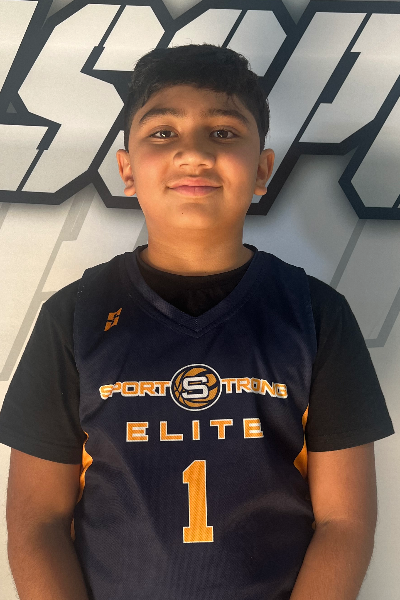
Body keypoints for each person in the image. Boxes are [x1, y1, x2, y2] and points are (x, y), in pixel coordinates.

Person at [0, 44, 395, 600]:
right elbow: (36, 523)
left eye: (223, 133)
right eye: (163, 133)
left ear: (262, 170)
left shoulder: (316, 315)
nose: (193, 153)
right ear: (127, 169)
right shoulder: (72, 316)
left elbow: (345, 524)